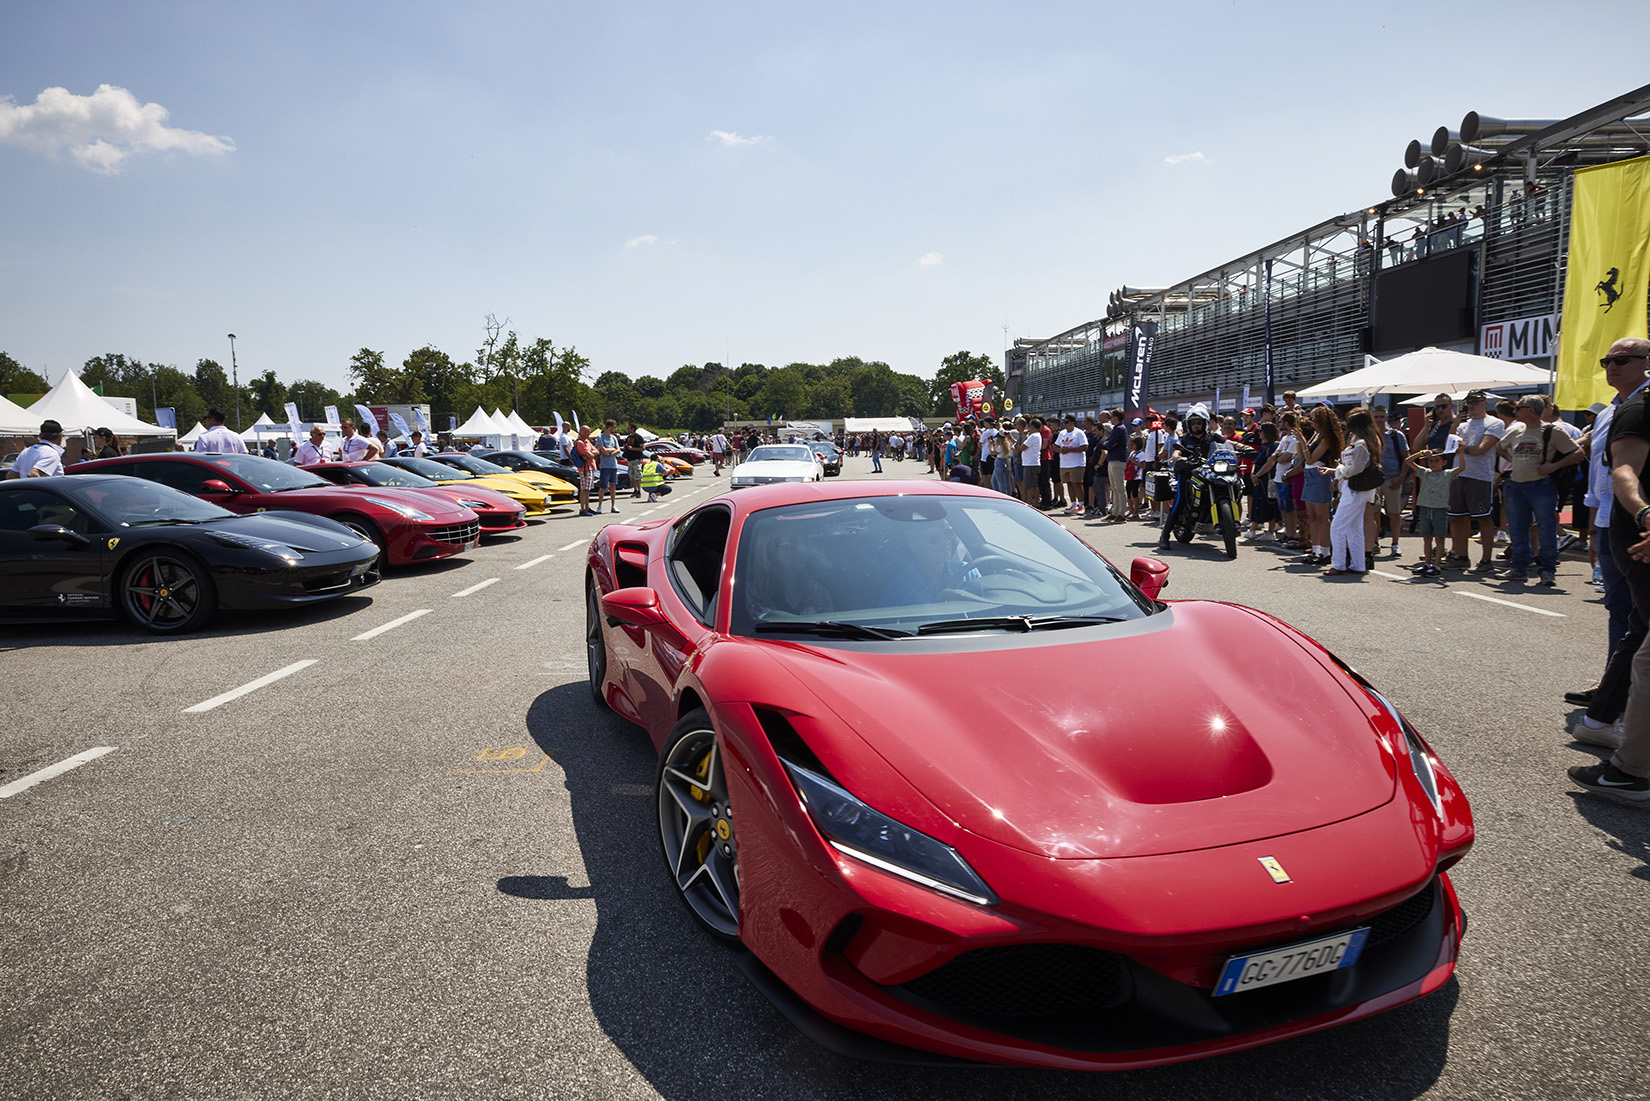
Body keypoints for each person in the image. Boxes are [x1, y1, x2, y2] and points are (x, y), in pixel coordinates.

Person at [1571, 337, 1650, 801]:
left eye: (1621, 360)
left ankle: (1604, 720)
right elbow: (1618, 473)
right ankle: (1611, 735)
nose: (1610, 366)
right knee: (1631, 624)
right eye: (1607, 360)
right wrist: (1606, 524)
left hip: (1628, 530)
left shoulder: (1633, 408)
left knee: (1638, 632)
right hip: (1625, 531)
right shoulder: (1624, 411)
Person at [1496, 395, 1581, 585]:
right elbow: (1500, 447)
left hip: (1542, 485)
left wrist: (1554, 466)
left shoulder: (1552, 431)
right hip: (1517, 484)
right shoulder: (1517, 430)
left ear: (1531, 410)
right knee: (1517, 528)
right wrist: (1513, 461)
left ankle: (1548, 570)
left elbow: (1578, 452)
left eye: (1518, 408)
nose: (1515, 411)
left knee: (1546, 528)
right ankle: (1519, 568)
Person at [1447, 390, 1506, 571]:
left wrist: (1463, 448)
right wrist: (1455, 424)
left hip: (1479, 476)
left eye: (1475, 402)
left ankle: (1486, 560)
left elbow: (1482, 449)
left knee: (1483, 517)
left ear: (1485, 403)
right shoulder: (1463, 424)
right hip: (1459, 474)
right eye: (1469, 403)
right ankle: (1461, 556)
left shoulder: (1494, 422)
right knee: (1458, 517)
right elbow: (1450, 445)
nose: (1471, 406)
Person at [1320, 409, 1381, 576]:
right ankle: (1358, 564)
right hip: (1355, 488)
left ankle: (1339, 564)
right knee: (1354, 528)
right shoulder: (1363, 442)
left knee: (1338, 527)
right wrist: (1337, 470)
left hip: (1354, 488)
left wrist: (1338, 469)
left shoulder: (1361, 444)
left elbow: (1354, 469)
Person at [878, 521, 979, 606]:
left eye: (948, 533)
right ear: (914, 545)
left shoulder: (969, 573)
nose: (945, 541)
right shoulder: (898, 590)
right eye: (934, 538)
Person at [1404, 443, 1463, 577]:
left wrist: (1461, 453)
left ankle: (1436, 565)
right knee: (1427, 538)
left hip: (1439, 510)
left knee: (1439, 538)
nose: (1433, 464)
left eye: (1437, 461)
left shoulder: (1447, 474)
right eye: (1430, 461)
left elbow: (1462, 468)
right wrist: (1421, 453)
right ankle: (1427, 563)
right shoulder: (1425, 473)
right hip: (1425, 508)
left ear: (1444, 462)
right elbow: (1408, 461)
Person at [1298, 406, 1341, 565]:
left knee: (1322, 517)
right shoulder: (1317, 435)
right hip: (1309, 475)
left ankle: (1325, 551)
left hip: (1319, 475)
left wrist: (1302, 440)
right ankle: (1316, 550)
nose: (1312, 422)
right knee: (1312, 516)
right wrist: (1300, 441)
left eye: (1314, 419)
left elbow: (1310, 459)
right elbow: (1303, 457)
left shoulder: (1326, 438)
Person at [1369, 404, 1409, 558]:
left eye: (1381, 417)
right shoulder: (1369, 435)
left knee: (1394, 513)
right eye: (1376, 417)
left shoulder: (1396, 435)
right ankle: (1374, 543)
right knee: (1374, 513)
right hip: (1373, 480)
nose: (1378, 420)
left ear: (1386, 418)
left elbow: (1406, 457)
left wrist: (1401, 477)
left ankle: (1395, 544)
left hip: (1392, 478)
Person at [1103, 409, 1130, 521]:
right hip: (1113, 459)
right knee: (1114, 487)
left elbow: (1109, 444)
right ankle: (1115, 512)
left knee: (1119, 487)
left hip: (1117, 460)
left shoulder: (1119, 429)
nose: (1111, 419)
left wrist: (1107, 444)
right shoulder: (1117, 428)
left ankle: (1121, 513)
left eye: (1112, 417)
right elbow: (1109, 443)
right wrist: (1108, 444)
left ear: (1116, 417)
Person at [595, 419, 622, 513]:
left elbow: (618, 450)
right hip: (605, 466)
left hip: (613, 465)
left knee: (613, 486)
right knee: (603, 486)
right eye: (614, 427)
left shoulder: (614, 438)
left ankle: (613, 505)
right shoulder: (600, 437)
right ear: (609, 427)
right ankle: (599, 506)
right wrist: (612, 451)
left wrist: (610, 452)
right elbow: (603, 451)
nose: (615, 429)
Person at [574, 424, 600, 515]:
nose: (590, 433)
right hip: (585, 468)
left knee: (587, 489)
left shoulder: (587, 441)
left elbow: (596, 451)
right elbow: (590, 454)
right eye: (588, 432)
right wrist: (591, 453)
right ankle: (582, 509)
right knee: (584, 489)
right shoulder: (580, 442)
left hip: (590, 467)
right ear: (583, 432)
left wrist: (591, 453)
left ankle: (587, 507)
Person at [623, 424, 646, 497]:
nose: (627, 429)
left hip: (637, 459)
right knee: (632, 476)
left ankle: (639, 490)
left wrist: (633, 449)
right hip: (630, 459)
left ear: (633, 428)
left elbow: (643, 448)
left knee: (637, 475)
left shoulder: (638, 437)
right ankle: (635, 490)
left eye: (629, 428)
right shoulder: (628, 437)